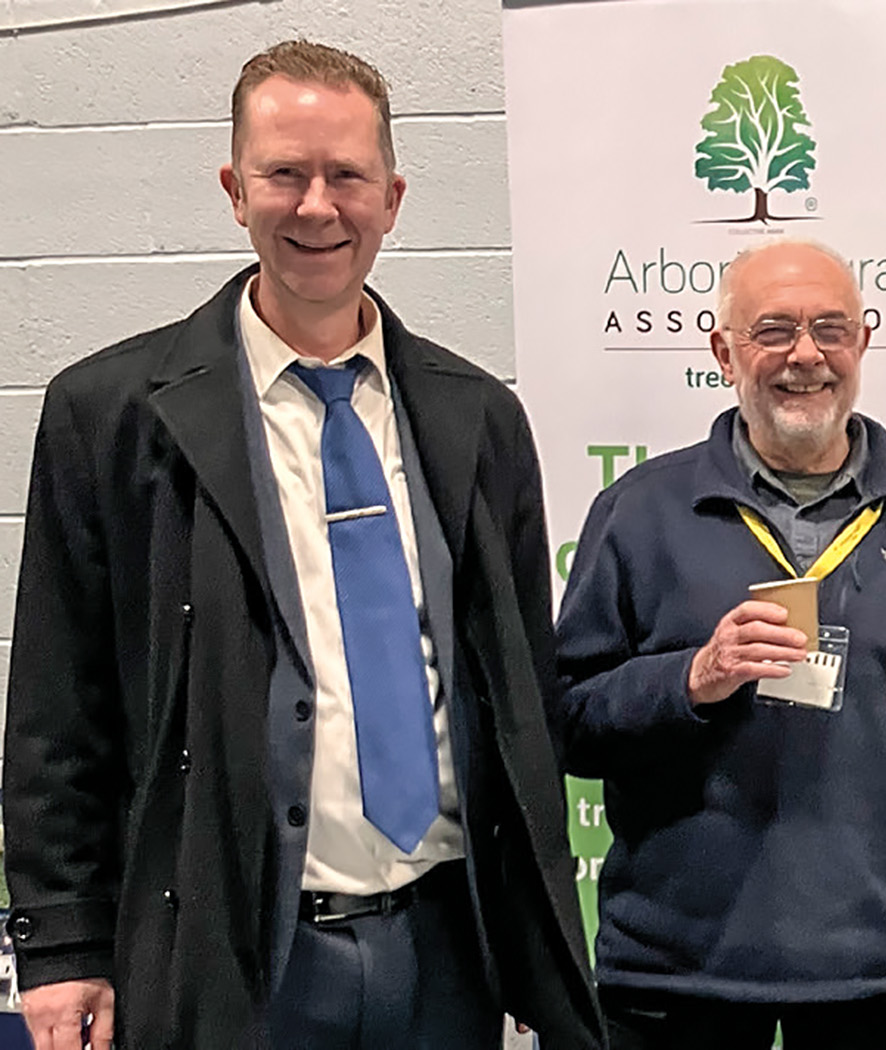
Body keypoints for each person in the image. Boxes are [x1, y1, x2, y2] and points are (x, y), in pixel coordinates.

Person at [2, 40, 602, 1050]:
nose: (317, 206)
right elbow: (61, 704)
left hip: (447, 945)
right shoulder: (109, 416)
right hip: (241, 951)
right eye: (285, 174)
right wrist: (62, 948)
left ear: (394, 197)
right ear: (236, 191)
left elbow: (518, 692)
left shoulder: (476, 419)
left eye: (347, 176)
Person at [551, 239, 886, 1050]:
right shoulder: (640, 511)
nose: (805, 355)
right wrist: (691, 679)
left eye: (830, 329)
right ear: (723, 350)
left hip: (871, 979)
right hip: (674, 974)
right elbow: (563, 722)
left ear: (863, 343)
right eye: (773, 330)